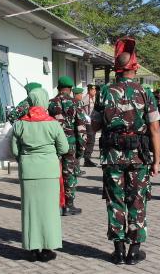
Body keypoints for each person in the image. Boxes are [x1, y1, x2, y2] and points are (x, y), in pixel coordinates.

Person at [92, 37, 160, 265]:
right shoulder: (145, 92)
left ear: (116, 68)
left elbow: (94, 126)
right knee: (137, 200)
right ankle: (134, 251)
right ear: (135, 67)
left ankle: (119, 251)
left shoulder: (104, 92)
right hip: (138, 156)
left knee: (115, 201)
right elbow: (155, 129)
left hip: (112, 156)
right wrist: (157, 161)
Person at [11, 86, 68, 261]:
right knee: (49, 211)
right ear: (44, 101)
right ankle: (47, 249)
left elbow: (15, 150)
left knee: (30, 211)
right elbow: (64, 148)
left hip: (28, 171)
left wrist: (26, 158)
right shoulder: (53, 123)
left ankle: (32, 248)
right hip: (49, 172)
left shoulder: (20, 124)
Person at [48, 76, 86, 215]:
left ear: (58, 88)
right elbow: (81, 127)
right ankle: (69, 205)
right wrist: (81, 149)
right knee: (69, 173)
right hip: (71, 144)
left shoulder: (50, 103)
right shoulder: (75, 103)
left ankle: (55, 204)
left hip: (54, 144)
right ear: (70, 89)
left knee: (54, 173)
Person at [80, 84, 98, 167]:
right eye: (93, 90)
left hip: (92, 122)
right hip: (88, 122)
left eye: (95, 90)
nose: (95, 91)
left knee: (91, 140)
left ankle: (87, 159)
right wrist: (85, 116)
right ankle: (87, 159)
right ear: (89, 90)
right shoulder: (86, 98)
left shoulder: (93, 98)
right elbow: (80, 108)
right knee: (90, 140)